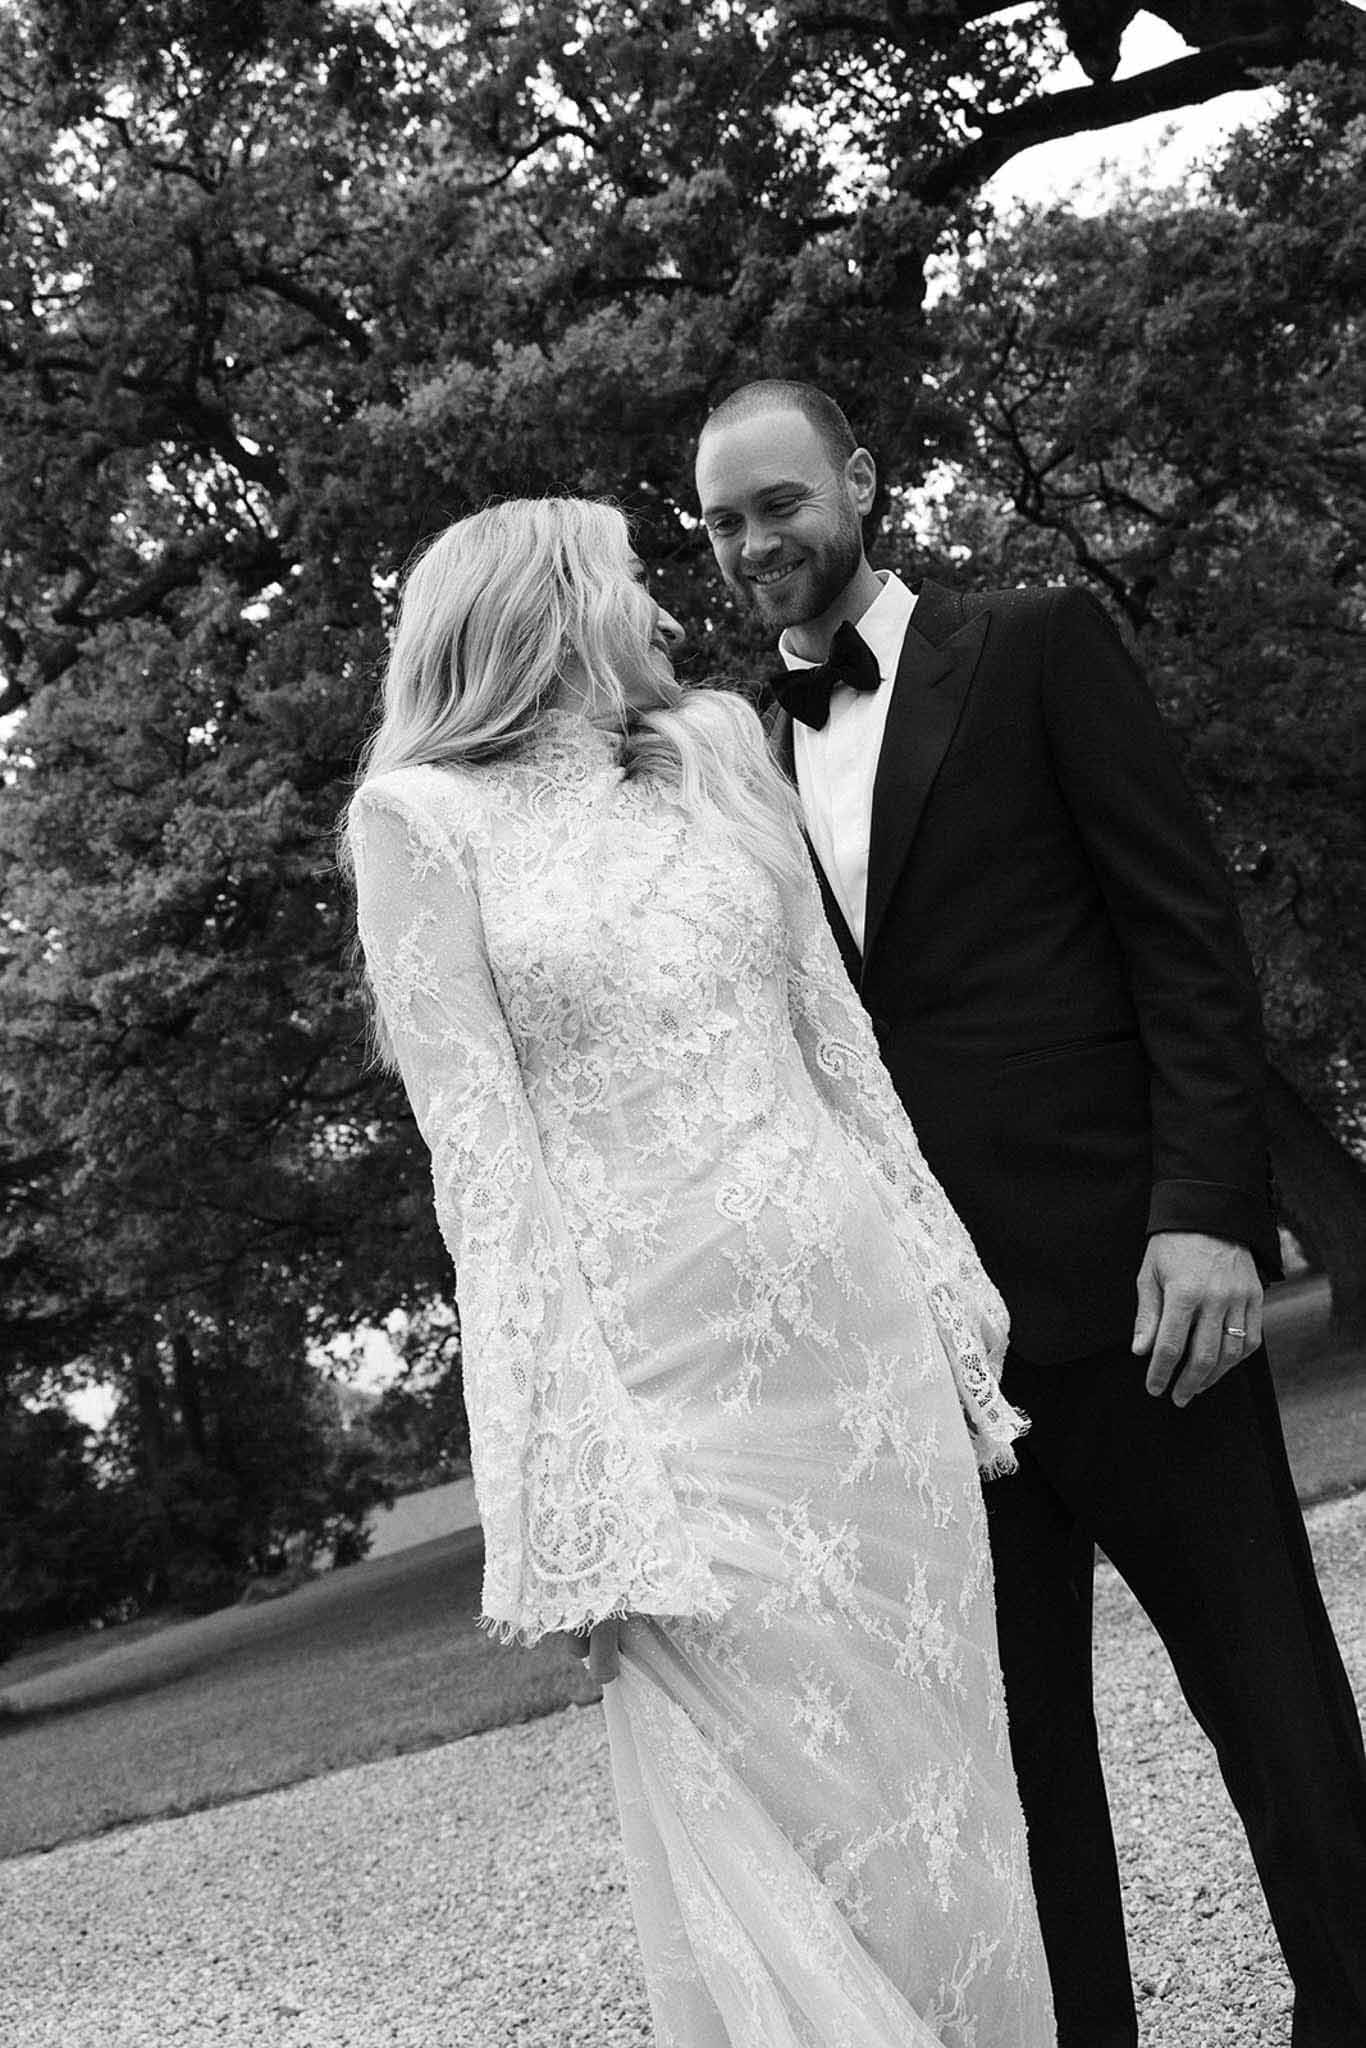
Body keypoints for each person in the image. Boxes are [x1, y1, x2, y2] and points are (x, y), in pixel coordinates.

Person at [693, 379, 1366, 2048]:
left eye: (777, 503)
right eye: (719, 524)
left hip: (1142, 1296)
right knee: (1012, 1778)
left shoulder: (1038, 645)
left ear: (857, 481)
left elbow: (1183, 936)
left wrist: (1207, 1208)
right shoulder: (731, 757)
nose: (752, 543)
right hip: (922, 1352)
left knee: (1271, 1710)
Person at [342, 496, 1055, 2046]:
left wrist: (949, 1304)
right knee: (752, 1809)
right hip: (669, 1396)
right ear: (545, 613)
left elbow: (842, 1054)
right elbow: (485, 1174)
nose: (670, 608)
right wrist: (562, 1486)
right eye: (629, 581)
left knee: (929, 1793)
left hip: (859, 1367)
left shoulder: (723, 752)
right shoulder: (415, 823)